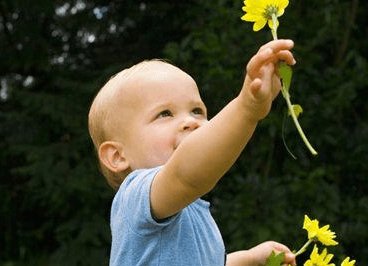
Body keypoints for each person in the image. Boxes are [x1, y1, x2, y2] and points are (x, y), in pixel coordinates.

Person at [88, 39, 297, 266]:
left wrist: (249, 259)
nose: (190, 121)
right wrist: (247, 108)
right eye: (165, 114)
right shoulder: (135, 198)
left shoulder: (193, 210)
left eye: (197, 111)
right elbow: (186, 174)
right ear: (118, 156)